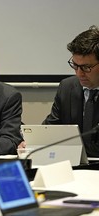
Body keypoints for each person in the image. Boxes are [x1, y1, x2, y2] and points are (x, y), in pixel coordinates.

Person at [43, 25, 99, 157]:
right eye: (75, 65)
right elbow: (51, 128)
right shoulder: (67, 87)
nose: (79, 74)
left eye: (86, 67)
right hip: (72, 165)